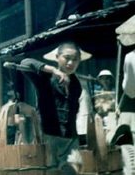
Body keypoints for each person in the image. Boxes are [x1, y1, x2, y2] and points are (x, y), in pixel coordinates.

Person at [21, 42, 87, 175]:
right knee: (51, 171)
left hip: (70, 139)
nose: (70, 63)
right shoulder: (45, 77)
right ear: (57, 57)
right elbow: (25, 63)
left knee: (73, 170)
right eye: (67, 58)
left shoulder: (76, 84)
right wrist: (53, 70)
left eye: (75, 59)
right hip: (48, 136)